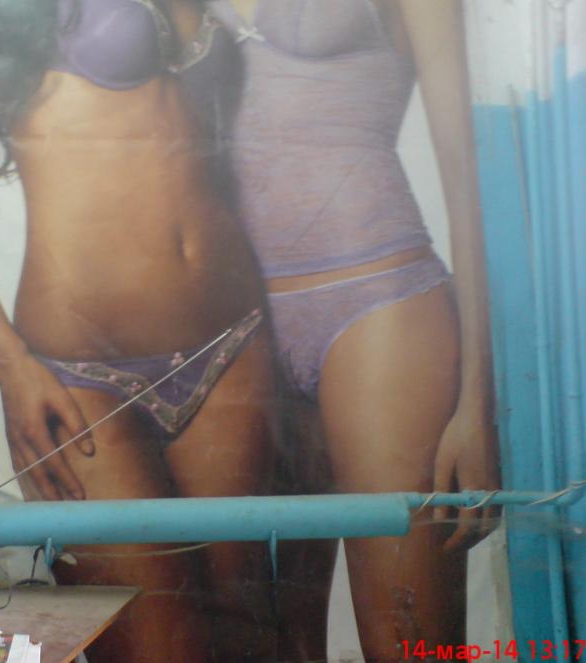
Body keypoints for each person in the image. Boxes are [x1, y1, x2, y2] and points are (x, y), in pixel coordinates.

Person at [0, 1, 279, 660]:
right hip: (75, 378)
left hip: (230, 344)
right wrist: (9, 363)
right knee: (160, 650)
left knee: (243, 637)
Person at [206, 0, 501, 659]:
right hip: (237, 327)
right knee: (272, 647)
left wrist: (478, 402)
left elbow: (469, 179)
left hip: (376, 309)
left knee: (409, 643)